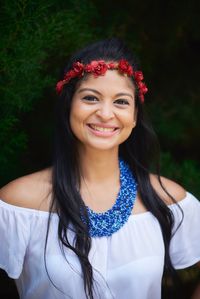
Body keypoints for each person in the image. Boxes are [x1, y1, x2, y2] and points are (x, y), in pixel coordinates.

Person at [0, 38, 199, 299]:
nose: (106, 113)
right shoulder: (18, 202)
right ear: (69, 104)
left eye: (121, 102)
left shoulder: (167, 199)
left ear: (135, 116)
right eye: (91, 98)